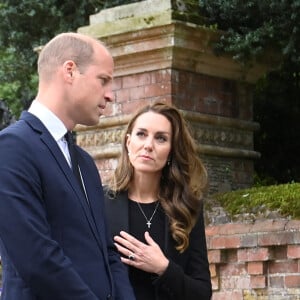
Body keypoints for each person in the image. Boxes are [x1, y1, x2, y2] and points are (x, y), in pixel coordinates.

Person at [0, 32, 135, 300]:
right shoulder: (11, 148)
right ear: (70, 71)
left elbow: (107, 252)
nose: (110, 95)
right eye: (103, 80)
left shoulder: (84, 162)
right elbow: (36, 258)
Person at [104, 102, 212, 300]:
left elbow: (202, 293)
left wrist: (164, 268)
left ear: (171, 151)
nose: (148, 145)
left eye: (160, 138)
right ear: (128, 143)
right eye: (141, 134)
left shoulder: (188, 207)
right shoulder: (101, 202)